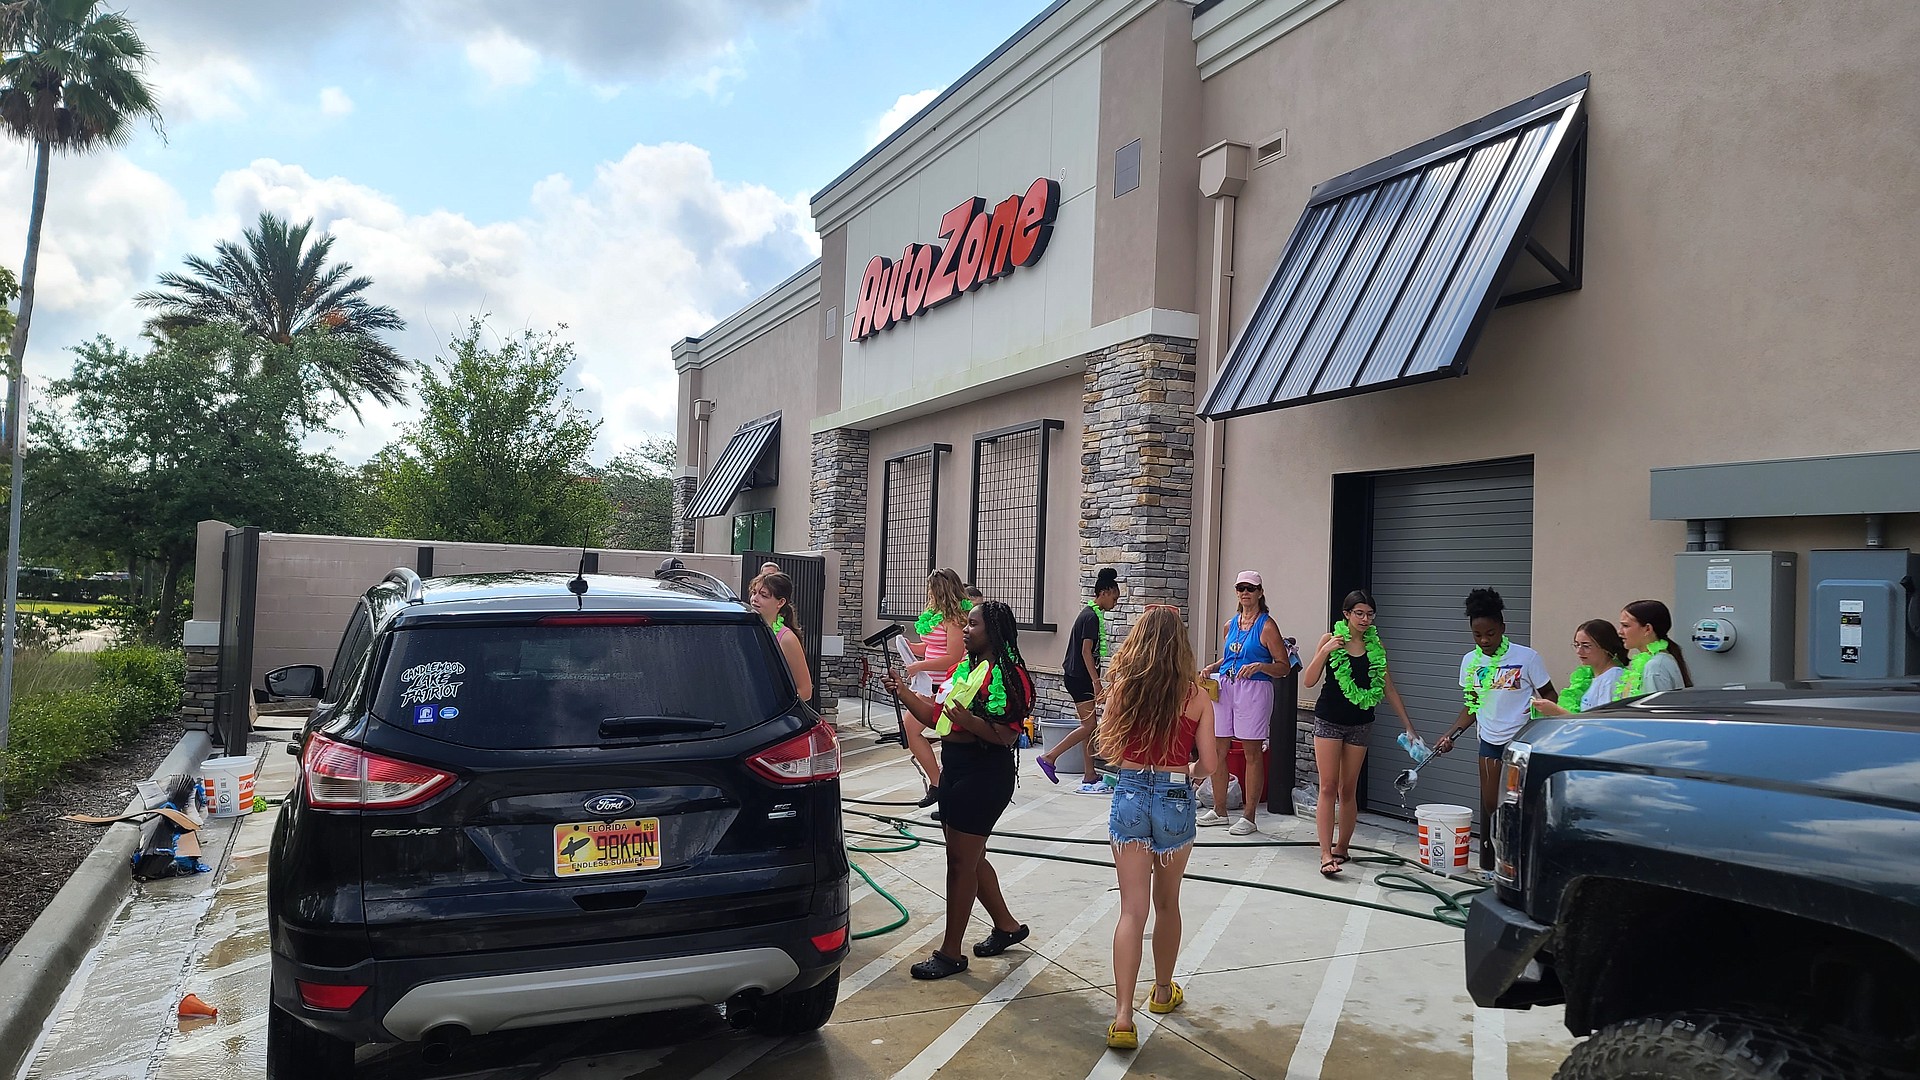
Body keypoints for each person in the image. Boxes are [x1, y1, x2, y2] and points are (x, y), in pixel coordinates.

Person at [883, 600, 1034, 980]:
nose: (965, 630)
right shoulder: (961, 669)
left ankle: (951, 953)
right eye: (966, 624)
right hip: (955, 770)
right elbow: (936, 717)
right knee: (970, 856)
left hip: (985, 775)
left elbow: (1006, 736)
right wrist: (903, 692)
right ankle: (1007, 926)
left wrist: (971, 721)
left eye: (973, 624)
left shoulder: (1010, 676)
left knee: (960, 862)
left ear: (993, 632)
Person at [1095, 604, 1218, 1049]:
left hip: (1129, 791)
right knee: (1168, 904)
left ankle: (1123, 1018)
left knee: (1132, 910)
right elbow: (1210, 762)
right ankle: (1163, 992)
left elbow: (1107, 747)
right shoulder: (1196, 695)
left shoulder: (1124, 688)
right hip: (1174, 794)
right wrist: (1185, 774)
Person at [1435, 588, 1554, 878]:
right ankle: (1493, 867)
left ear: (1502, 627)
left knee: (1519, 807)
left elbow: (1551, 696)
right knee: (1492, 806)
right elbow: (1472, 706)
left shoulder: (1527, 658)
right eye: (1477, 635)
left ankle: (1522, 867)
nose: (1485, 640)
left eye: (1490, 633)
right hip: (1489, 741)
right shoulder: (1469, 663)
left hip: (1522, 743)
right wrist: (1451, 733)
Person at [1300, 590, 1418, 878]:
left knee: (1347, 789)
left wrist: (1408, 724)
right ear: (1346, 614)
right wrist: (1325, 651)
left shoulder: (1376, 646)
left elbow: (1388, 688)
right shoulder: (1330, 639)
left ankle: (1342, 847)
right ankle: (1325, 853)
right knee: (1327, 786)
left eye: (1369, 614)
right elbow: (1309, 679)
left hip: (1361, 722)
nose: (1365, 619)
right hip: (1329, 719)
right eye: (1359, 613)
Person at [1198, 571, 1288, 835]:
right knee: (1218, 747)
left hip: (1255, 688)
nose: (1245, 593)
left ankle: (1249, 815)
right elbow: (1229, 658)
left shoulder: (1267, 625)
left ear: (1260, 592)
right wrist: (1211, 667)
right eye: (1240, 588)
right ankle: (1220, 809)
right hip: (1226, 686)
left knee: (1251, 751)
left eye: (1250, 588)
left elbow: (1283, 666)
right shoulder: (1230, 625)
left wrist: (1261, 665)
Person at [1038, 567, 1121, 793]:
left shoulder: (1090, 614)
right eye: (1114, 598)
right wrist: (1096, 681)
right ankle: (1050, 757)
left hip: (1077, 676)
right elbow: (1086, 652)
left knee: (1089, 726)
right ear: (1104, 592)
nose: (1114, 604)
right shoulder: (1091, 617)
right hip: (1080, 677)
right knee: (1089, 725)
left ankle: (1089, 773)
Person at [901, 568, 971, 808]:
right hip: (927, 684)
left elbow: (953, 656)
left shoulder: (955, 619)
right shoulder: (936, 615)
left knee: (920, 730)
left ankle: (941, 785)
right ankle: (938, 782)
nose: (928, 592)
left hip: (943, 686)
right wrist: (911, 647)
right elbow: (931, 648)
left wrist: (920, 664)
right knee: (910, 730)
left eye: (931, 588)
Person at [1530, 619, 1630, 717]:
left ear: (1605, 647)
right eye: (1577, 645)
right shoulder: (1589, 675)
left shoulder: (1612, 677)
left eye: (1586, 646)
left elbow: (1600, 722)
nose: (1579, 651)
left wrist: (1556, 711)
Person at [749, 571, 811, 702]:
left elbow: (805, 691)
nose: (755, 599)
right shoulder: (748, 630)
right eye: (754, 593)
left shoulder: (786, 639)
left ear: (780, 602)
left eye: (764, 595)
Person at [1617, 599, 1693, 695]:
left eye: (1625, 625)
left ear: (1647, 629)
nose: (1620, 631)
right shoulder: (1655, 662)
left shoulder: (1655, 666)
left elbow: (1656, 708)